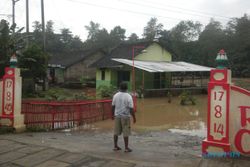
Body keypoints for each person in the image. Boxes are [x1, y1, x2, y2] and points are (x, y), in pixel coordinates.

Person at [112, 82, 136, 152]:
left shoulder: (115, 95)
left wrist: (112, 115)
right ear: (126, 88)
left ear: (119, 87)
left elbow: (112, 106)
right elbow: (131, 109)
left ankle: (115, 146)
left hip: (117, 116)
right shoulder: (128, 96)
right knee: (126, 132)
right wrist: (134, 118)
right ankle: (126, 148)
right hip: (125, 117)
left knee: (116, 132)